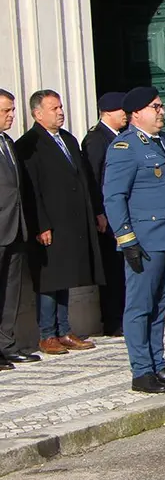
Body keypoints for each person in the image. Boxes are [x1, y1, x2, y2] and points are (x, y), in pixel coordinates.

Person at [102, 86, 165, 393]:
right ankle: (141, 371)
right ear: (137, 113)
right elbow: (114, 197)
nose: (162, 111)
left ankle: (157, 364)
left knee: (160, 306)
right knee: (140, 307)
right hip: (146, 241)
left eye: (161, 106)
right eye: (155, 107)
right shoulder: (125, 148)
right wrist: (127, 240)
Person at [15, 89, 102, 354]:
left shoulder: (68, 139)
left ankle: (64, 330)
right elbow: (32, 189)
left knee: (66, 277)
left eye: (61, 107)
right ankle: (47, 334)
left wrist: (95, 211)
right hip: (48, 223)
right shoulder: (29, 143)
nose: (60, 112)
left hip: (70, 221)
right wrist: (41, 224)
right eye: (54, 108)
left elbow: (83, 178)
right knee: (49, 280)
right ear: (37, 113)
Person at [81, 91, 129, 334]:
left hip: (124, 211)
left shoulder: (121, 137)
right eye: (122, 111)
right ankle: (113, 319)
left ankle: (125, 314)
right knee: (112, 267)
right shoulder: (96, 139)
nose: (126, 115)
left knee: (124, 265)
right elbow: (93, 178)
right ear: (108, 112)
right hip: (108, 215)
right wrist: (99, 211)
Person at [0, 88, 39, 367]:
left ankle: (7, 344)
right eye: (6, 111)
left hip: (15, 227)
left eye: (12, 110)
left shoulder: (8, 142)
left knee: (11, 290)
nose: (12, 116)